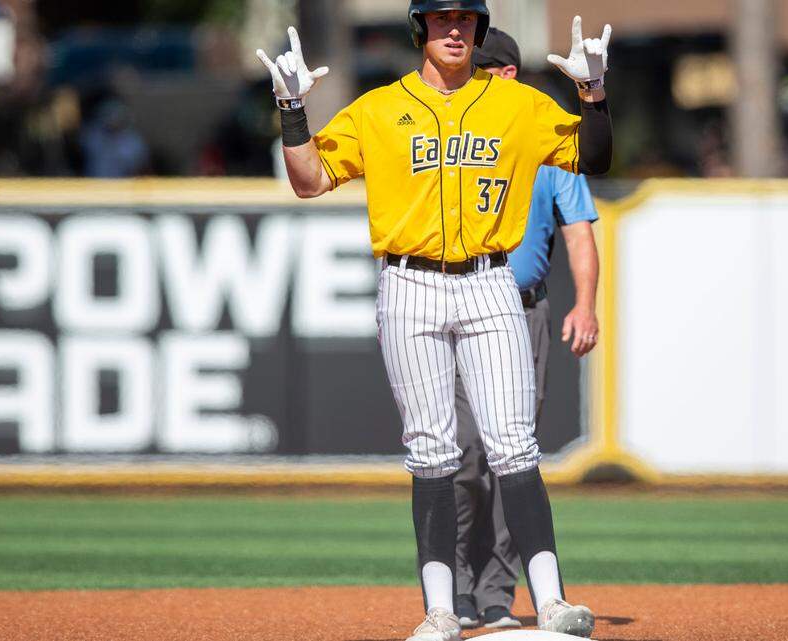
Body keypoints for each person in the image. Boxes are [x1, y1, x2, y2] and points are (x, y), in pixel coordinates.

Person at [255, 3, 612, 641]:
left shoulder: (517, 105)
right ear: (421, 28)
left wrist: (593, 93)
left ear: (479, 29)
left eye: (467, 20)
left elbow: (597, 156)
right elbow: (309, 181)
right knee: (432, 453)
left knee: (514, 446)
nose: (455, 30)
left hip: (490, 280)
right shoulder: (379, 108)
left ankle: (552, 603)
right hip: (409, 284)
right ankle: (441, 612)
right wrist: (291, 113)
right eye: (443, 19)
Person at [448, 27, 600, 631]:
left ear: (506, 74)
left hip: (522, 308)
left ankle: (496, 591)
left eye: (482, 69)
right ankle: (454, 582)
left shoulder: (541, 133)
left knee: (515, 457)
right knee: (460, 455)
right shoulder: (455, 129)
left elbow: (579, 230)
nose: (470, 78)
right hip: (456, 301)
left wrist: (584, 303)